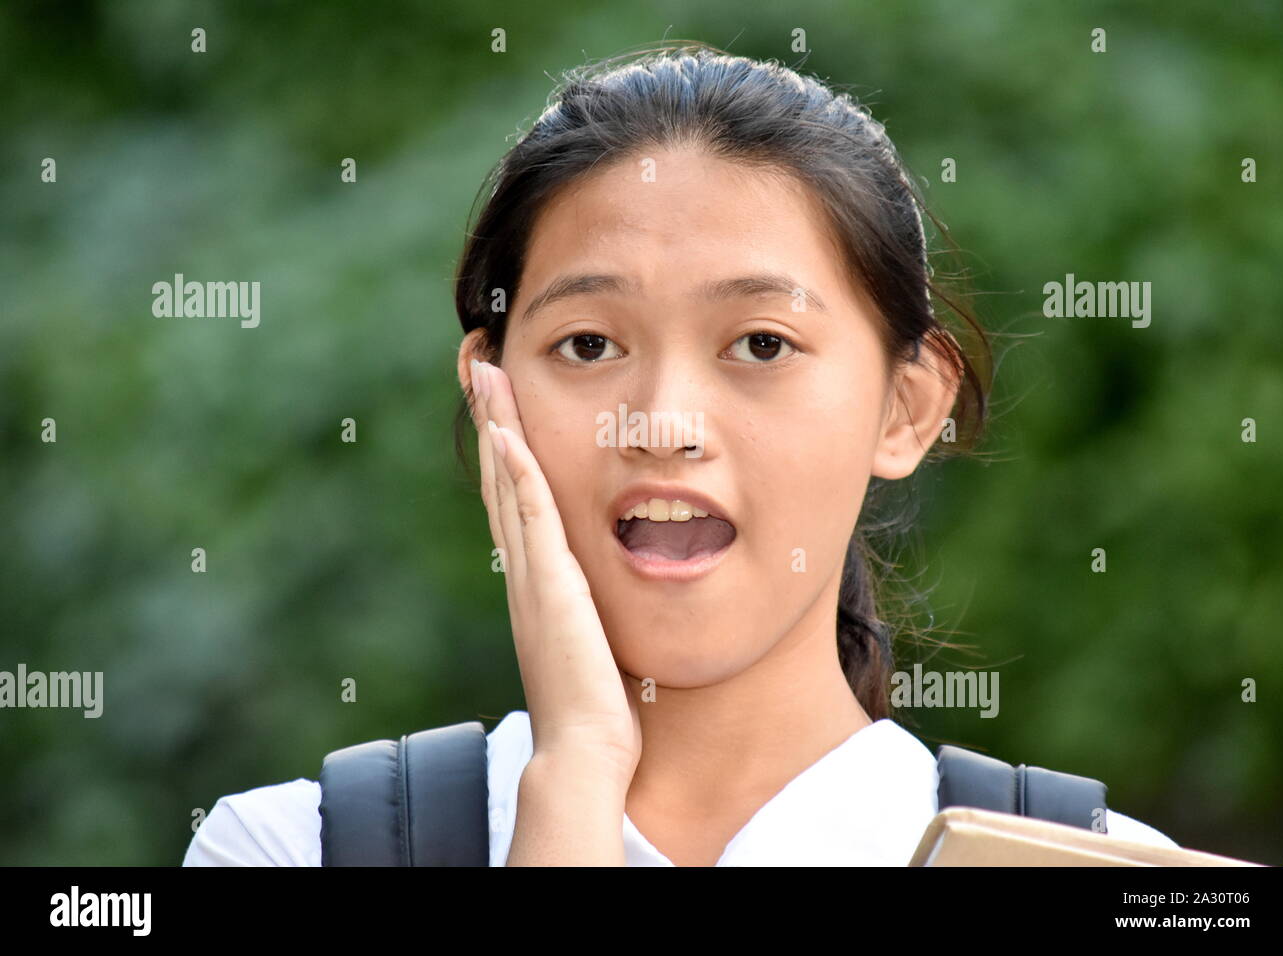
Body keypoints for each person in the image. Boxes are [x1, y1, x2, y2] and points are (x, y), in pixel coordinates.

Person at [184, 42, 1179, 866]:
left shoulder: (1107, 870)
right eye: (588, 344)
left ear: (905, 407)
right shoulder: (294, 847)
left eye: (760, 344)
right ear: (491, 390)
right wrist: (574, 775)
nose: (661, 422)